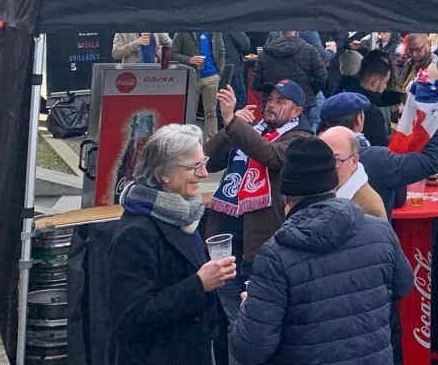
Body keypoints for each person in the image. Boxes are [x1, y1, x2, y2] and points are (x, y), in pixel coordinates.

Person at [229, 137, 412, 365]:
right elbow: (403, 286)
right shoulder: (381, 231)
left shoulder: (275, 255)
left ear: (285, 196)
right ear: (334, 185)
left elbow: (250, 349)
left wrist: (249, 310)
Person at [108, 124, 233, 365]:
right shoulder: (137, 233)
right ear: (164, 174)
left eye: (203, 162)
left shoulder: (183, 213)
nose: (205, 173)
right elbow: (130, 317)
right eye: (194, 167)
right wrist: (199, 284)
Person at [202, 78, 310, 312]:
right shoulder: (248, 130)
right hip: (226, 239)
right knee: (229, 317)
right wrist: (231, 127)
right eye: (269, 99)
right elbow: (207, 162)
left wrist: (234, 123)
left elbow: (271, 155)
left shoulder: (301, 138)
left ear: (297, 111)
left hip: (260, 245)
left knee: (251, 320)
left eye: (280, 101)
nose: (271, 105)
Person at [320, 125, 386, 218]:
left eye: (336, 160)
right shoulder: (315, 190)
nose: (326, 166)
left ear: (354, 161)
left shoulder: (369, 209)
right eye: (322, 158)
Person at [255, 31, 327, 107]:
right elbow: (322, 77)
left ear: (280, 33)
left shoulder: (264, 53)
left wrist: (270, 94)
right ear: (297, 32)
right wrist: (309, 92)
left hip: (273, 103)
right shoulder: (310, 50)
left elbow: (257, 84)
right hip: (302, 102)